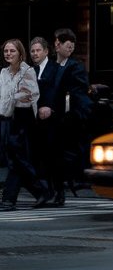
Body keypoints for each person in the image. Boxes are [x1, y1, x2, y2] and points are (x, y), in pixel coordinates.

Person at [1, 38, 52, 210]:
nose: (8, 54)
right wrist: (14, 96)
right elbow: (6, 98)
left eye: (12, 51)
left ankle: (10, 199)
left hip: (24, 120)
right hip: (8, 119)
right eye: (6, 51)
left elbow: (31, 97)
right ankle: (40, 192)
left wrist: (12, 98)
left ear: (20, 53)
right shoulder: (3, 73)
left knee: (18, 160)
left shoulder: (27, 71)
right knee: (15, 161)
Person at [52, 28, 94, 197]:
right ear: (57, 45)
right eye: (67, 46)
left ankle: (73, 177)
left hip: (74, 112)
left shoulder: (75, 66)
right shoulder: (52, 65)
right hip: (58, 112)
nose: (70, 49)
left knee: (72, 146)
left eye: (72, 46)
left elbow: (79, 89)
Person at [30, 36, 64, 206]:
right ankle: (46, 190)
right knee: (39, 156)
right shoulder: (32, 71)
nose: (35, 54)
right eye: (32, 51)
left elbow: (60, 93)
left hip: (53, 120)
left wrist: (51, 108)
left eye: (38, 50)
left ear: (46, 51)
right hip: (36, 120)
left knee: (53, 157)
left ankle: (58, 192)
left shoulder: (56, 69)